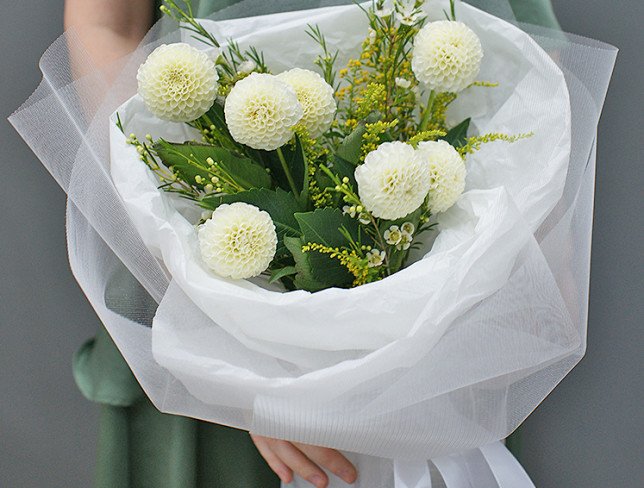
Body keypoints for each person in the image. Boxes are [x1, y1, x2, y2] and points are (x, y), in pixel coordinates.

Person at [63, 1, 561, 487]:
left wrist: (492, 294)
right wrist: (216, 327)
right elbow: (107, 21)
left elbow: (534, 70)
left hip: (446, 309)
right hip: (207, 309)